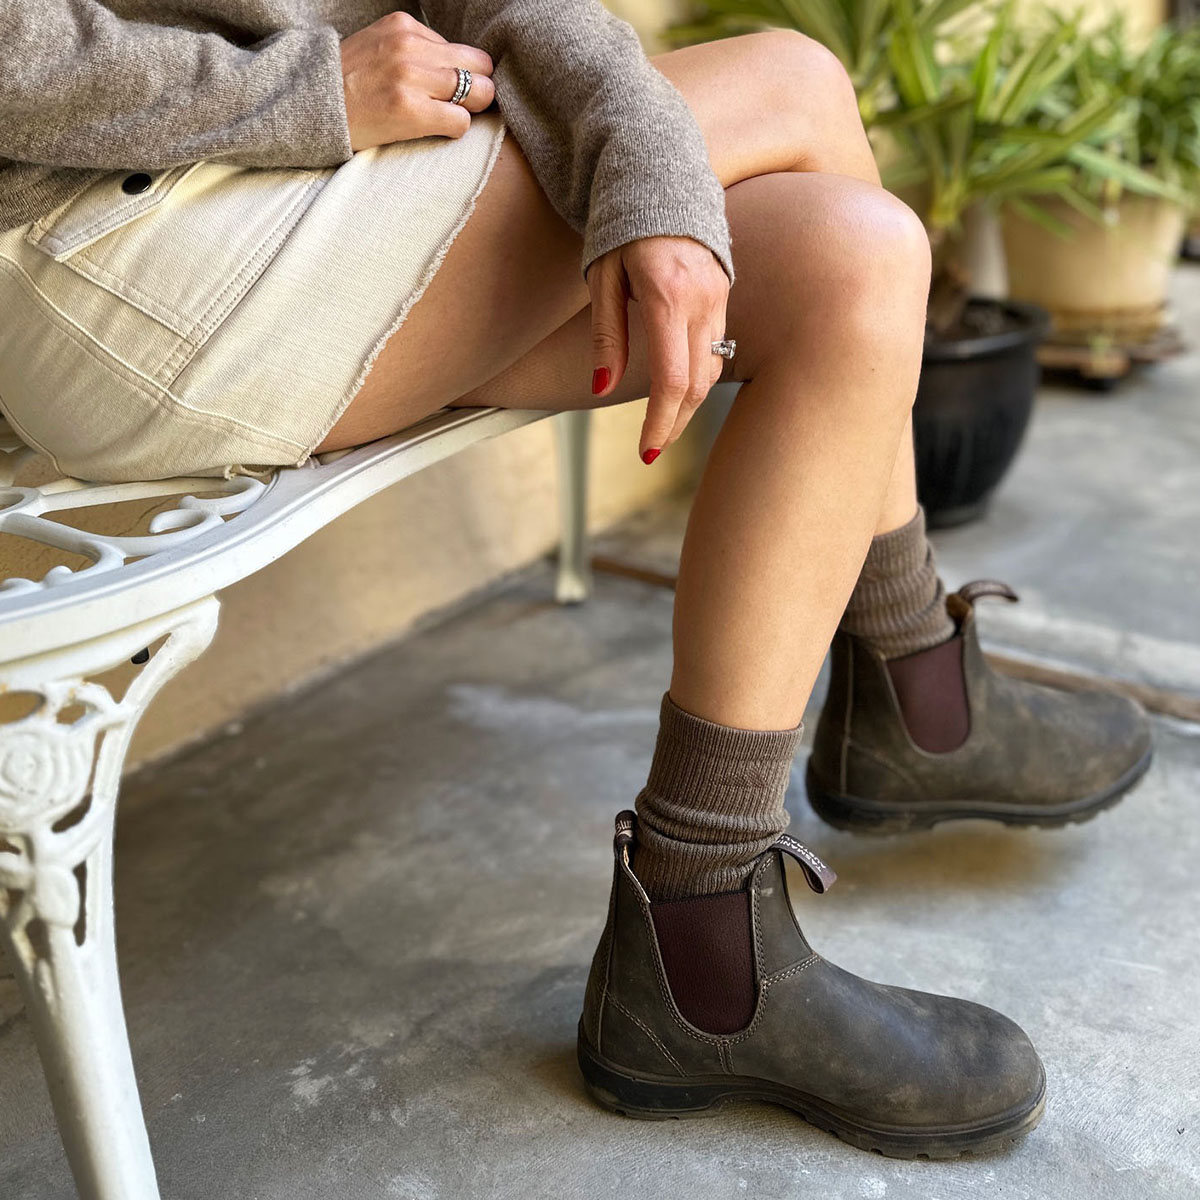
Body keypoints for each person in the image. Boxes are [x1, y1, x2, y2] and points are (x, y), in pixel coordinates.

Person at [0, 0, 1151, 1158]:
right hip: (111, 234)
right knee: (795, 85)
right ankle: (910, 693)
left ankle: (703, 936)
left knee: (853, 259)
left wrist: (642, 181)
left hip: (294, 204)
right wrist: (306, 93)